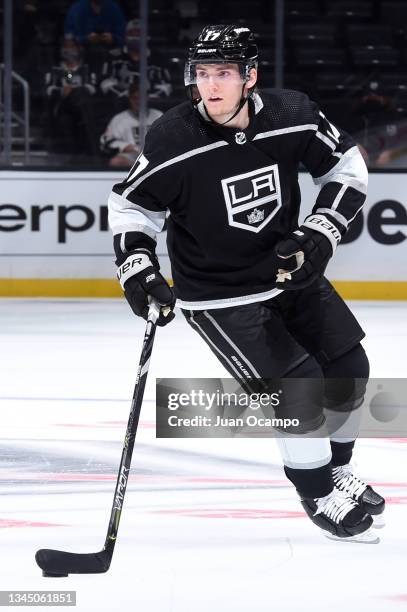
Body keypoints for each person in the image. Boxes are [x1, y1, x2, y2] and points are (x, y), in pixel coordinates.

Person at [108, 25, 385, 542]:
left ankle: (335, 468)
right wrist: (137, 268)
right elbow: (131, 205)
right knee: (297, 390)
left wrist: (320, 234)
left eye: (224, 73)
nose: (211, 86)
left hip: (287, 273)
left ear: (249, 77)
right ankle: (317, 491)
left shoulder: (291, 115)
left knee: (350, 364)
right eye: (204, 73)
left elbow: (346, 168)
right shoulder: (173, 138)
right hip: (218, 293)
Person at [45, 37, 98, 156]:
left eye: (72, 46)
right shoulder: (56, 69)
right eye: (66, 47)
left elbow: (92, 88)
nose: (69, 50)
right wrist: (62, 91)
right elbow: (49, 89)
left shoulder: (87, 68)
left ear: (79, 49)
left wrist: (74, 91)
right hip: (62, 106)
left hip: (83, 106)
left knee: (80, 99)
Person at [100, 19, 173, 100]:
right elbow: (105, 85)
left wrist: (146, 98)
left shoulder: (158, 59)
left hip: (151, 106)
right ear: (125, 36)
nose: (135, 37)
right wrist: (130, 97)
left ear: (147, 36)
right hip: (120, 105)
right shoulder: (113, 57)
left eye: (139, 33)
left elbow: (166, 87)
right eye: (131, 33)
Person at [100, 82, 162, 168]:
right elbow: (105, 142)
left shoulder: (158, 115)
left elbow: (170, 139)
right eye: (135, 98)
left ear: (147, 98)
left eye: (141, 98)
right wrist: (124, 146)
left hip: (155, 156)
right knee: (116, 162)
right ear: (130, 99)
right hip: (131, 157)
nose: (138, 101)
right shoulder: (119, 119)